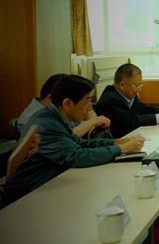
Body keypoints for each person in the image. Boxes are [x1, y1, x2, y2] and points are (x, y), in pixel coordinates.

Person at [2, 75, 144, 207]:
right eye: (87, 101)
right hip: (28, 196)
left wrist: (116, 142)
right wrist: (122, 149)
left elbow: (78, 143)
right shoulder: (45, 123)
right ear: (67, 103)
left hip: (51, 187)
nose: (90, 108)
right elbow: (77, 156)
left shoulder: (54, 116)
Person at [95, 63, 159, 138]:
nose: (140, 89)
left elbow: (142, 108)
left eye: (141, 84)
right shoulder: (109, 100)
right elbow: (130, 121)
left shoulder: (128, 94)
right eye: (137, 85)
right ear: (122, 85)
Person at [17, 73, 111, 138]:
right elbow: (66, 137)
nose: (89, 106)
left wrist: (92, 125)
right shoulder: (34, 118)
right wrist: (92, 122)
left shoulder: (57, 109)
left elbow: (89, 110)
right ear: (51, 98)